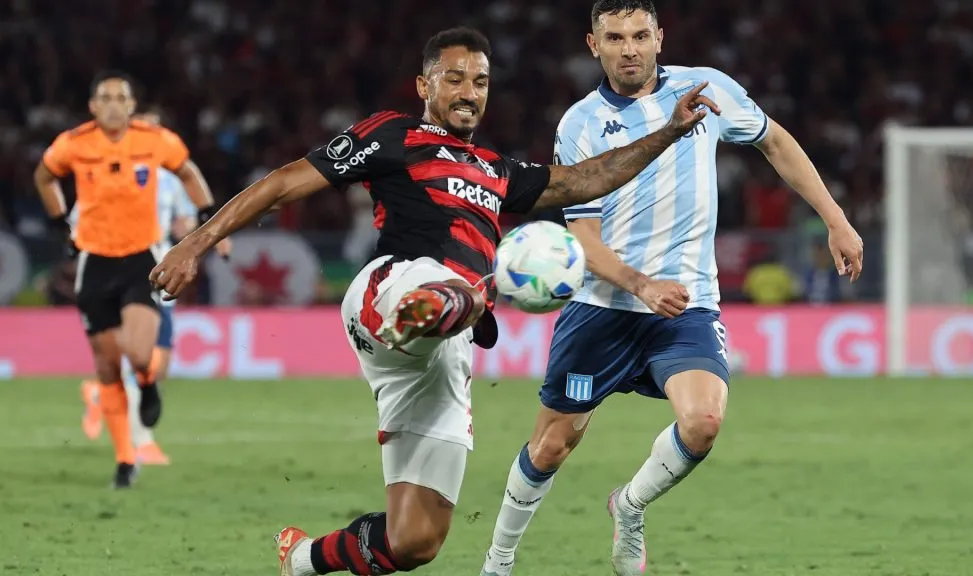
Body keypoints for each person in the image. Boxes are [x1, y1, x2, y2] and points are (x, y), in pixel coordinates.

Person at [150, 27, 718, 576]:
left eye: (480, 81)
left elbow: (585, 180)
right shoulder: (392, 136)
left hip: (445, 353)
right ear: (425, 87)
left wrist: (668, 131)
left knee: (416, 542)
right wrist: (195, 243)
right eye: (454, 79)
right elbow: (282, 183)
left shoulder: (498, 171)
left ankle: (302, 559)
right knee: (443, 292)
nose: (469, 92)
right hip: (394, 287)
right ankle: (447, 304)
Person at [478, 2, 864, 575]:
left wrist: (835, 217)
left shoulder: (706, 91)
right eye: (615, 37)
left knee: (704, 421)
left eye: (639, 35)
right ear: (593, 45)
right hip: (601, 305)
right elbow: (582, 235)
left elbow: (775, 141)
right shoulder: (579, 125)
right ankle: (498, 561)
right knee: (551, 446)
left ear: (661, 37)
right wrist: (640, 285)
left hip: (685, 302)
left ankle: (629, 506)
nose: (629, 48)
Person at [34, 72, 223, 488]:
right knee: (105, 366)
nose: (114, 104)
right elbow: (44, 177)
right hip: (94, 262)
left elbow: (189, 173)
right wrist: (59, 223)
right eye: (106, 97)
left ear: (132, 105)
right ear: (93, 106)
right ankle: (125, 460)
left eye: (122, 97)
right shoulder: (74, 144)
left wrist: (207, 217)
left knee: (139, 352)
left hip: (141, 259)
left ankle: (147, 381)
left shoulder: (155, 141)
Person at [77, 108, 232, 465]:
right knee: (145, 354)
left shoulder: (174, 180)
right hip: (130, 270)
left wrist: (208, 236)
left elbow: (183, 223)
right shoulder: (108, 172)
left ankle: (101, 395)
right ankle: (142, 442)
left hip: (163, 270)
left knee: (156, 363)